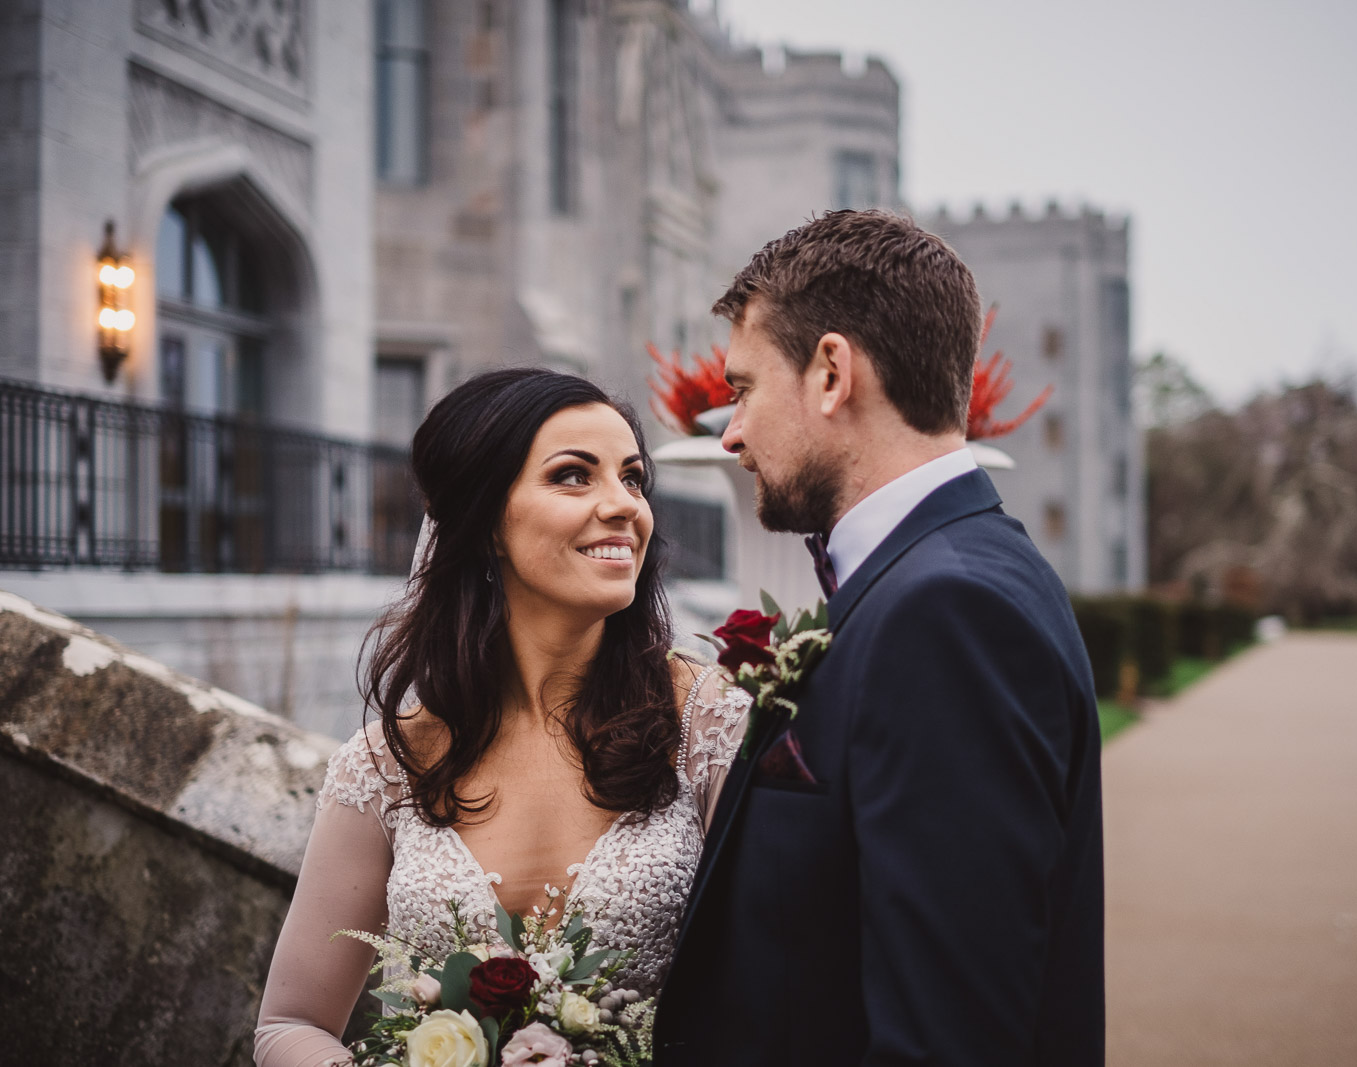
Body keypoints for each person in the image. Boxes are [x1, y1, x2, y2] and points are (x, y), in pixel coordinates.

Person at [654, 210, 1105, 1065]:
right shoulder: (940, 574)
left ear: (831, 372)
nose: (734, 431)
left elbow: (949, 1035)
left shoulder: (947, 614)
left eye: (743, 388)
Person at [254, 368, 749, 1067]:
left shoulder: (707, 720)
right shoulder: (386, 764)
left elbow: (785, 988)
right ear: (487, 519)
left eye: (632, 478)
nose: (623, 506)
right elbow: (287, 1024)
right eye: (575, 476)